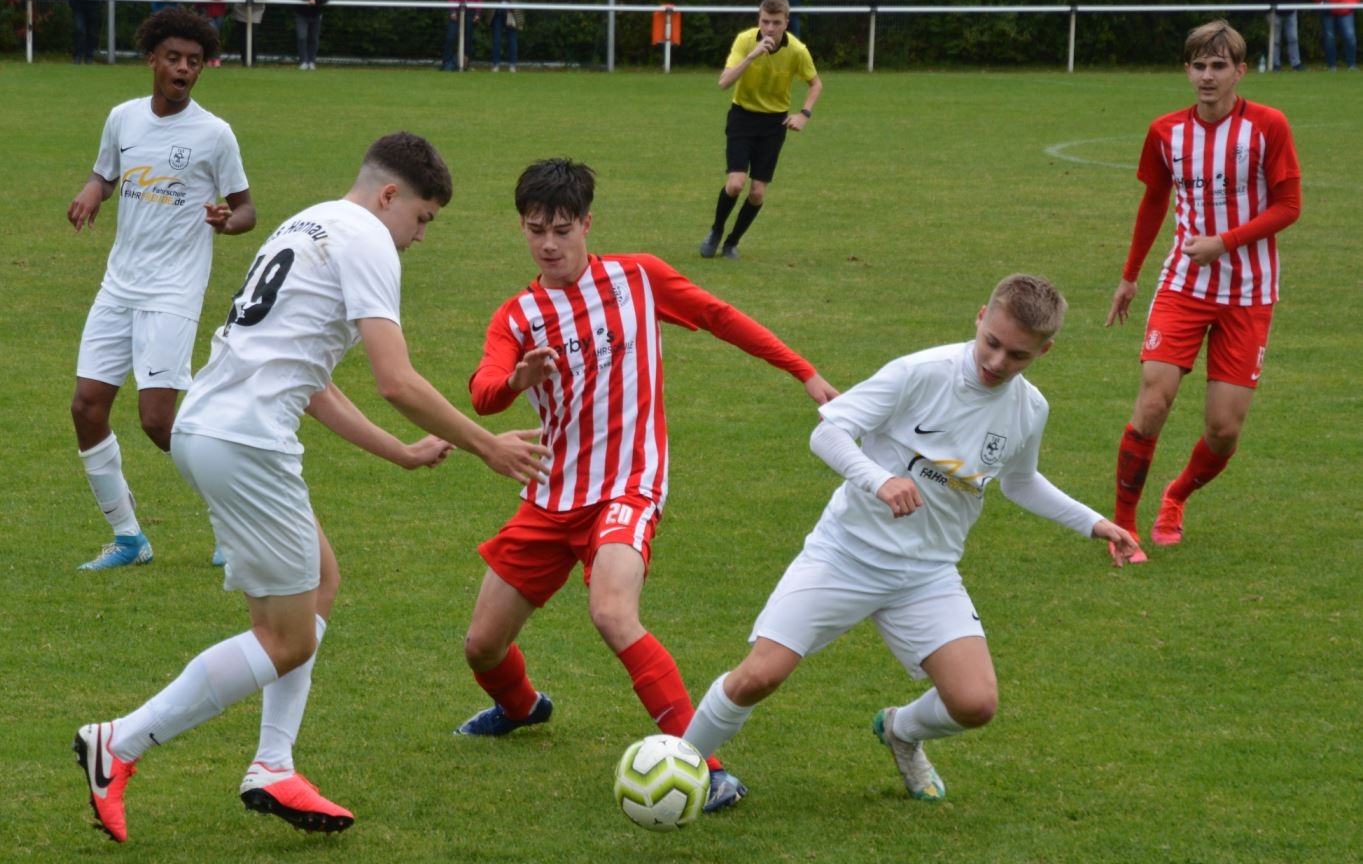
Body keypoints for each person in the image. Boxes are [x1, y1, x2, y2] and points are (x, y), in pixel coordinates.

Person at [73, 132, 552, 844]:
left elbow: (313, 380)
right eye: (422, 218)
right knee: (286, 639)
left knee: (320, 582)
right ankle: (119, 743)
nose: (420, 237)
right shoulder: (369, 241)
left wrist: (399, 453)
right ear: (389, 196)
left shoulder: (309, 222)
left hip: (213, 428)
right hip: (246, 441)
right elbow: (397, 379)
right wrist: (486, 444)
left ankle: (273, 765)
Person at [456, 158, 839, 815]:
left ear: (587, 224)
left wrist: (802, 371)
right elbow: (483, 393)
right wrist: (518, 379)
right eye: (535, 230)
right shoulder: (517, 317)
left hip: (627, 487)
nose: (548, 245)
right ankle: (521, 708)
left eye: (561, 230)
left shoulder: (637, 278)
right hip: (550, 496)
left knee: (611, 612)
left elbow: (718, 316)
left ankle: (705, 766)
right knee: (482, 646)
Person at [682, 275, 1142, 803]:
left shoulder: (1030, 408)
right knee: (758, 677)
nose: (997, 362)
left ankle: (900, 730)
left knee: (975, 704)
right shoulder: (919, 372)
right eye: (991, 342)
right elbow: (827, 431)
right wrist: (878, 480)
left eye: (1017, 355)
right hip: (845, 554)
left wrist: (1093, 522)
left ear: (1045, 350)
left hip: (927, 573)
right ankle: (677, 768)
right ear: (980, 318)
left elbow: (1021, 482)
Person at [67, 8, 256, 572]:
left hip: (174, 289)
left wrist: (227, 221)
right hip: (118, 284)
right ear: (152, 59)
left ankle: (236, 520)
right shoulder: (123, 118)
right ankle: (129, 538)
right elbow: (106, 173)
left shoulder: (214, 134)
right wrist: (93, 189)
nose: (183, 69)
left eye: (194, 61)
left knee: (157, 419)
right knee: (87, 407)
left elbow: (246, 209)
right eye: (173, 58)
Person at [1105, 20, 1301, 563]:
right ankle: (1123, 528)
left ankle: (1176, 496)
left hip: (1250, 292)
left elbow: (1289, 206)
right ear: (1187, 71)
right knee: (1152, 403)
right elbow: (1154, 202)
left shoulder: (1267, 126)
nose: (1207, 76)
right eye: (1199, 66)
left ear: (1240, 71)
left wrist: (1225, 242)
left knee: (1223, 430)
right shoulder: (1165, 132)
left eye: (1219, 66)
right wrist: (1129, 276)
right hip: (1183, 285)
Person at [698, 0, 821, 261]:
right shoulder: (745, 41)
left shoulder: (797, 50)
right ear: (759, 20)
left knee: (756, 192)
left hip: (774, 124)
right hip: (742, 117)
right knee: (735, 184)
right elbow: (723, 83)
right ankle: (716, 231)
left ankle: (732, 242)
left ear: (786, 23)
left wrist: (804, 114)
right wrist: (752, 56)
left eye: (776, 23)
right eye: (765, 22)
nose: (769, 29)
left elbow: (815, 84)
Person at [443, 0, 483, 72]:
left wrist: (478, 12)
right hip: (456, 11)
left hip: (470, 12)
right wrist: (452, 10)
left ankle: (465, 64)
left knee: (468, 39)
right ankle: (447, 63)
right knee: (451, 37)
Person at [232, 0, 272, 67]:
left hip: (257, 10)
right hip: (241, 10)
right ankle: (244, 60)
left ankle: (253, 61)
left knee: (253, 35)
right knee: (242, 37)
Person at [485, 0, 522, 73]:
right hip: (496, 12)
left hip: (511, 12)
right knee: (496, 39)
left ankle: (512, 65)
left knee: (512, 39)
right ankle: (495, 64)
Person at [294, 0, 332, 70]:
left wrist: (316, 0)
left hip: (316, 14)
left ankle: (311, 61)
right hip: (302, 13)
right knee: (302, 36)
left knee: (314, 39)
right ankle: (303, 61)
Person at [195, 0, 230, 66]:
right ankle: (213, 58)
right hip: (206, 10)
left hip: (219, 11)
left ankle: (212, 58)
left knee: (215, 34)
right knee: (212, 32)